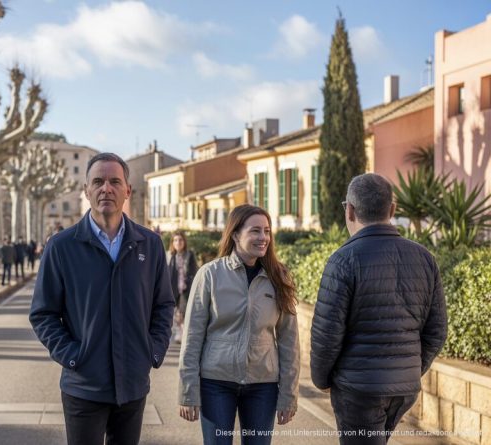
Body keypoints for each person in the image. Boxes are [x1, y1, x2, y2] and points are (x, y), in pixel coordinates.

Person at [29, 153, 174, 445]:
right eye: (98, 181)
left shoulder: (151, 244)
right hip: (83, 387)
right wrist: (71, 356)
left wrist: (153, 350)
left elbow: (164, 305)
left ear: (127, 191)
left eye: (114, 181)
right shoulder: (61, 247)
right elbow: (42, 314)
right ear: (86, 191)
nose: (105, 188)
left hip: (133, 386)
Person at [311, 173, 447, 444]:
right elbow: (437, 330)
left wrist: (321, 379)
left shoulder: (343, 260)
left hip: (358, 388)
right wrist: (409, 370)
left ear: (349, 210)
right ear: (392, 210)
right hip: (404, 389)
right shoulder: (425, 258)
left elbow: (327, 334)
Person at [178, 204, 299, 445]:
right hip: (216, 383)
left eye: (266, 231)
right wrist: (187, 390)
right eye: (255, 231)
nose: (263, 237)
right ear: (235, 234)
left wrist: (288, 395)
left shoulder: (279, 278)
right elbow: (192, 336)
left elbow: (289, 342)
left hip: (263, 386)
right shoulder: (210, 274)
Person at [168, 230, 198, 344]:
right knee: (177, 313)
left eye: (180, 240)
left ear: (184, 242)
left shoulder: (189, 255)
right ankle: (181, 334)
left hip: (186, 289)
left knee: (184, 312)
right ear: (172, 243)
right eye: (175, 240)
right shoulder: (170, 256)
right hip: (174, 289)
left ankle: (184, 335)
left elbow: (193, 271)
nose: (178, 242)